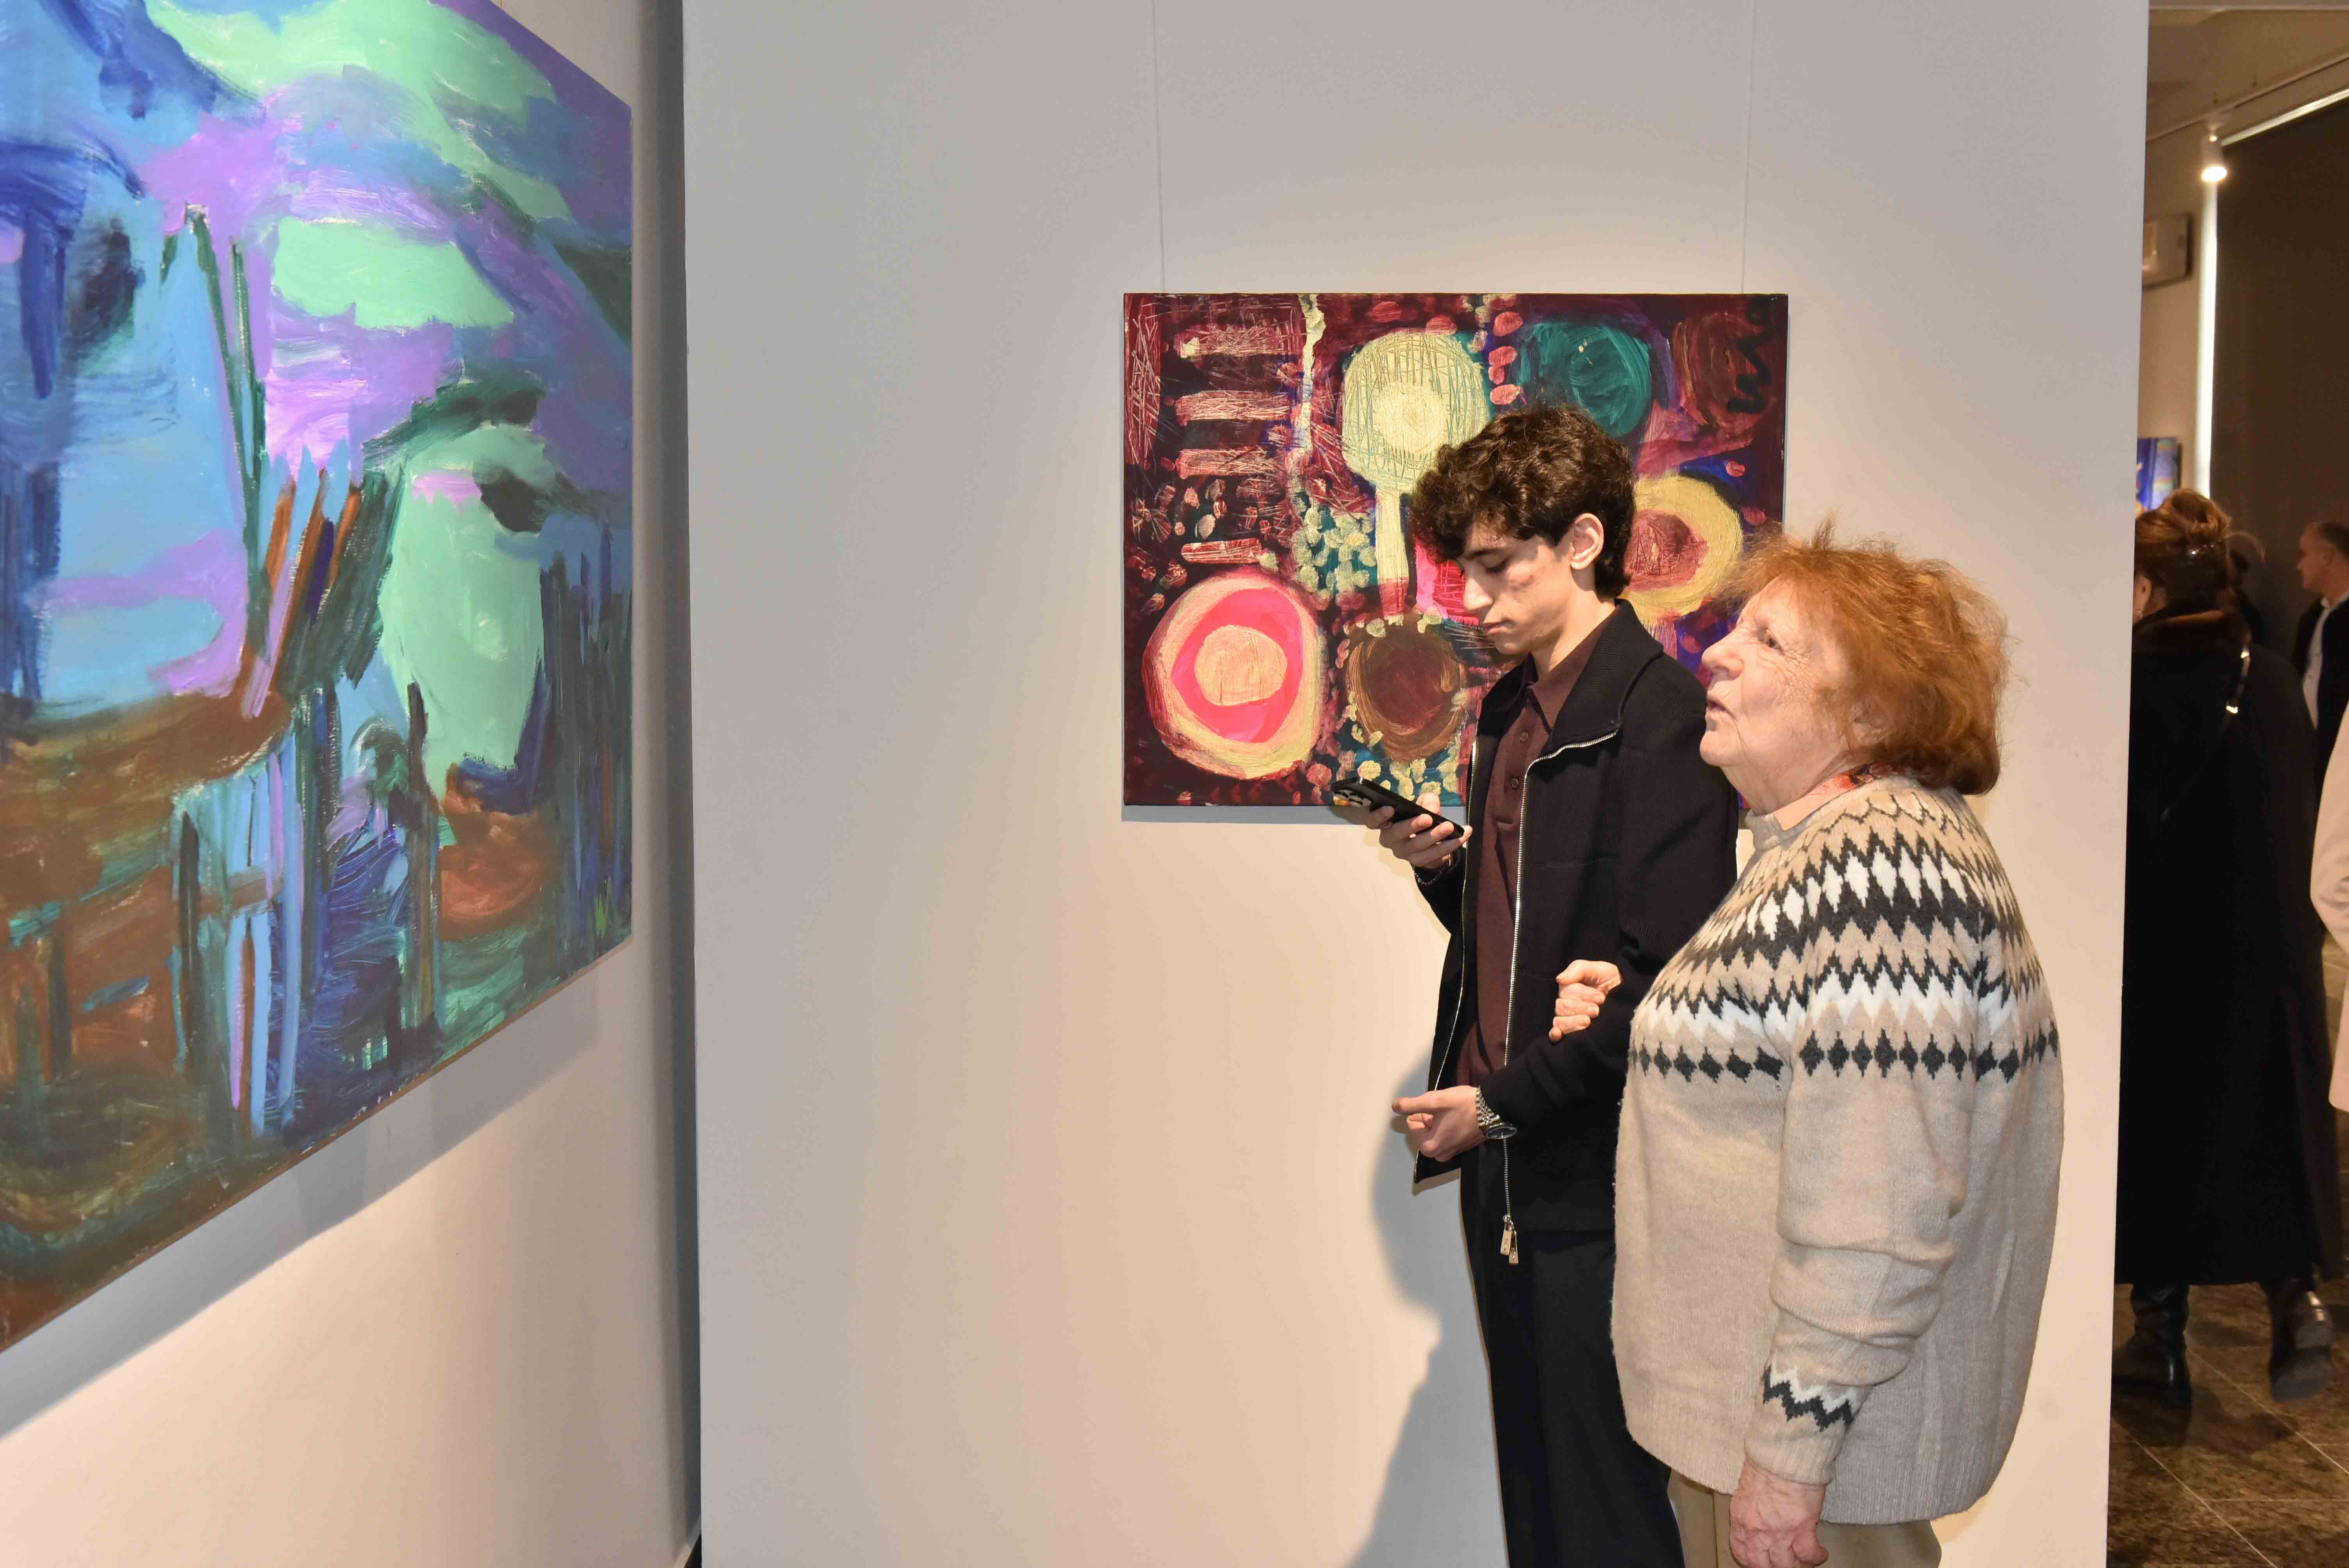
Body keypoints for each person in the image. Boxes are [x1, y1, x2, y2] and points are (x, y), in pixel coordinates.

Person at [1551, 527, 2063, 1568]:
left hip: (1814, 1463)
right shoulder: (1840, 852)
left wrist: (1789, 1460)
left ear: (1869, 713)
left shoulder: (1880, 875)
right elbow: (1793, 1059)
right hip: (1785, 1442)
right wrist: (1659, 1014)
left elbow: (1879, 1211)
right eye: (1736, 628)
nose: (1717, 653)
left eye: (1770, 642)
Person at [1365, 403, 1738, 1567]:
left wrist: (1494, 1105)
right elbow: (1523, 937)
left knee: (1604, 1511)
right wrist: (1449, 874)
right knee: (1538, 1499)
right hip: (1511, 1160)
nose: (1472, 598)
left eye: (1497, 565)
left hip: (1597, 1177)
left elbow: (1661, 992)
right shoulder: (1510, 709)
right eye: (1463, 570)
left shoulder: (1659, 719)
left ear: (1582, 543)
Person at [2120, 494, 2341, 1406]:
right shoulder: (2272, 676)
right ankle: (2295, 1297)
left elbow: (2129, 831)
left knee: (2157, 1141)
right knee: (2264, 1130)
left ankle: (2158, 1336)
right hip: (2268, 952)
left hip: (2165, 955)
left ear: (2144, 588)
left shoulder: (2135, 684)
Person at [2292, 517, 2349, 780]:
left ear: (2327, 556)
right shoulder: (2315, 616)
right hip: (2310, 753)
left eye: (2304, 554)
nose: (2299, 566)